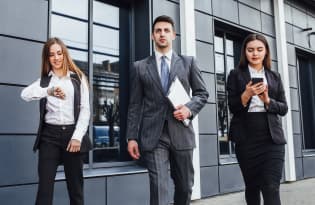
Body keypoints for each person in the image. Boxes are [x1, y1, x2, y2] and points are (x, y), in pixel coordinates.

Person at [126, 15, 208, 205]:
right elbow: (135, 105)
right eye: (158, 31)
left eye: (166, 30)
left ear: (173, 35)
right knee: (159, 188)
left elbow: (202, 94)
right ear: (152, 36)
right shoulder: (139, 67)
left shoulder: (188, 63)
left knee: (185, 187)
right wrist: (131, 137)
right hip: (154, 136)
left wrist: (189, 109)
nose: (162, 34)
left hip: (181, 132)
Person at [21, 37, 91, 205]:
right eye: (52, 55)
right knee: (44, 190)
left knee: (76, 190)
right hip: (49, 137)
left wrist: (77, 136)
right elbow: (24, 94)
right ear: (47, 58)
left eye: (59, 53)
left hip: (72, 135)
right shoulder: (44, 81)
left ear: (64, 54)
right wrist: (49, 91)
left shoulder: (78, 79)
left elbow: (85, 110)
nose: (56, 58)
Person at [227, 33, 288, 205]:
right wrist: (246, 94)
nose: (255, 53)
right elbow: (232, 107)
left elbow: (284, 108)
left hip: (272, 138)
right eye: (250, 50)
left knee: (271, 187)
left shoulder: (274, 76)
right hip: (246, 138)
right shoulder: (235, 75)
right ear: (244, 52)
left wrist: (267, 101)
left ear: (266, 52)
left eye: (259, 49)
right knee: (252, 187)